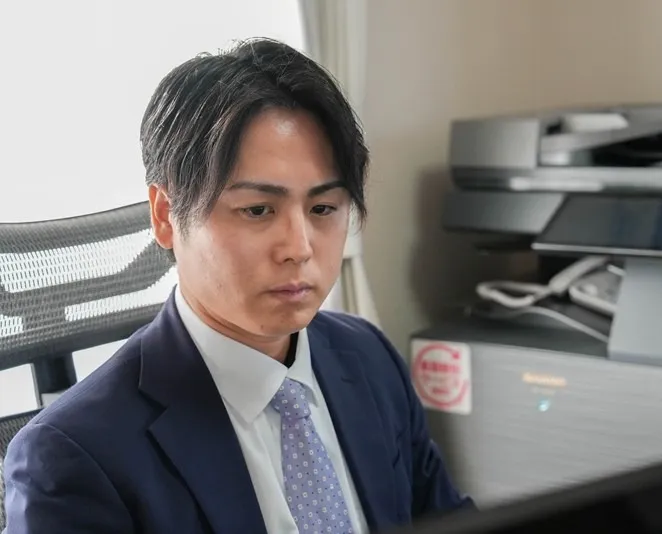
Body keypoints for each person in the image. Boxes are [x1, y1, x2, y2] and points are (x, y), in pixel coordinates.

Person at [2, 38, 473, 534]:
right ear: (165, 216)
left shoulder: (370, 360)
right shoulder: (73, 458)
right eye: (257, 210)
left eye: (323, 208)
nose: (299, 247)